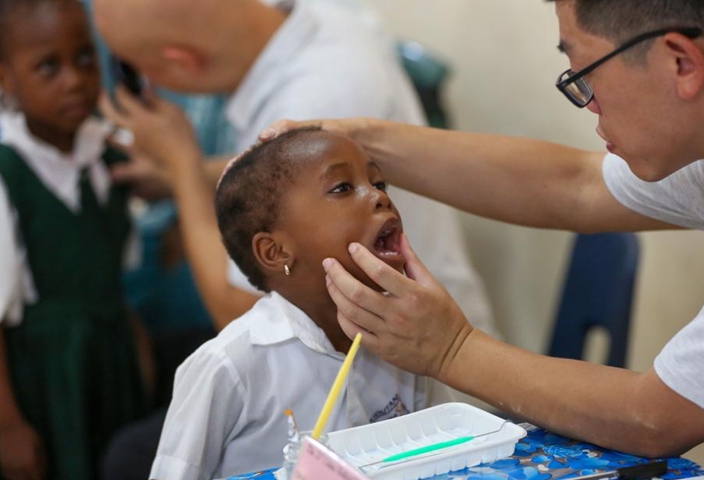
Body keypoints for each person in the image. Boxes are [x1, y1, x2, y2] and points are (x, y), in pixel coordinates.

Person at [262, 0, 704, 475]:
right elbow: (577, 187)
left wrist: (449, 348)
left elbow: (654, 417)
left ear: (680, 62)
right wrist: (355, 141)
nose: (590, 102)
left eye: (584, 73)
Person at [93, 0, 497, 338]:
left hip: (419, 382)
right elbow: (277, 174)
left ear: (180, 62)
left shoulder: (314, 98)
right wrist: (189, 175)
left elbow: (239, 309)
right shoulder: (313, 17)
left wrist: (181, 163)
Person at [150, 128, 451, 480]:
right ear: (276, 252)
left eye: (379, 184)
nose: (378, 197)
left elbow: (448, 451)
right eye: (342, 188)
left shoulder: (407, 339)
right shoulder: (229, 367)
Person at [0, 0, 147, 479]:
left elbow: (114, 278)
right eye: (48, 66)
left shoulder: (107, 156)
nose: (75, 79)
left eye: (85, 57)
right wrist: (8, 426)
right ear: (5, 80)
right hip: (46, 377)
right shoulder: (8, 173)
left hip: (112, 361)